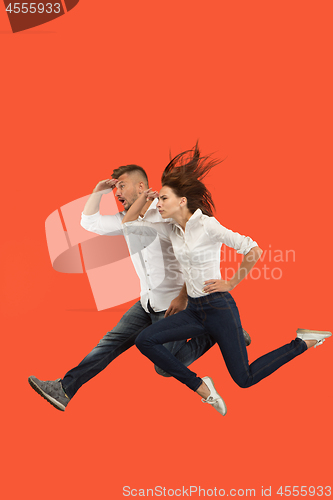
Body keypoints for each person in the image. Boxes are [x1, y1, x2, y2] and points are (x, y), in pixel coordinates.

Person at [122, 145, 332, 416]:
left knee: (244, 379)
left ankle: (303, 342)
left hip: (218, 309)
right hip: (195, 311)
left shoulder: (207, 225)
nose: (157, 204)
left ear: (182, 200)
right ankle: (201, 387)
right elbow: (129, 225)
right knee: (145, 341)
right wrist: (145, 198)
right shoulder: (172, 230)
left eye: (162, 198)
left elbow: (252, 249)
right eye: (157, 199)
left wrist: (231, 283)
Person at [28, 164, 251, 412]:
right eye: (115, 187)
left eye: (122, 185)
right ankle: (64, 389)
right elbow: (88, 222)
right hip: (146, 303)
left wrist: (182, 296)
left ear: (142, 187)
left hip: (172, 304)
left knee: (164, 368)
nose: (117, 191)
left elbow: (194, 259)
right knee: (109, 343)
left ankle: (220, 334)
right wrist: (98, 191)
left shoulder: (166, 216)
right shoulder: (126, 220)